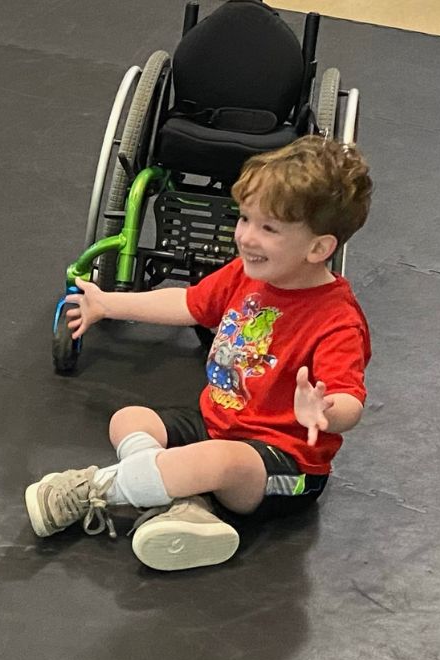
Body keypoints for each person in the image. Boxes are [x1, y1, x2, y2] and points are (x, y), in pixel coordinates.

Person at [26, 135, 373, 571]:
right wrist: (109, 303)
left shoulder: (337, 319)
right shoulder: (246, 276)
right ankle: (186, 504)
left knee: (217, 460)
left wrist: (323, 411)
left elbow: (350, 402)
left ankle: (96, 490)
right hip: (217, 424)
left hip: (278, 462)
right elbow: (189, 303)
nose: (246, 237)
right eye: (245, 219)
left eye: (268, 229)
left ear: (319, 248)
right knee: (130, 418)